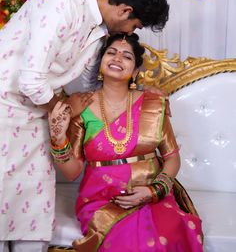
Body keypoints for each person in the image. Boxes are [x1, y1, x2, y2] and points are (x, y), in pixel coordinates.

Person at [0, 0, 169, 252]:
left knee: (34, 213)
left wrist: (140, 90)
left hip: (37, 116)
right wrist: (63, 109)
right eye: (134, 25)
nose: (129, 32)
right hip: (5, 111)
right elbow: (30, 81)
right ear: (125, 10)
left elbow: (88, 85)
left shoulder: (98, 29)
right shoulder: (61, 6)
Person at [48, 33, 203, 252]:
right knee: (131, 242)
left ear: (136, 71)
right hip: (102, 200)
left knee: (165, 233)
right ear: (100, 63)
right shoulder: (81, 107)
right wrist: (58, 138)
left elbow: (172, 158)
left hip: (152, 195)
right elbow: (72, 172)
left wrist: (153, 191)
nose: (117, 58)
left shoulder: (153, 104)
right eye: (111, 52)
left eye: (126, 56)